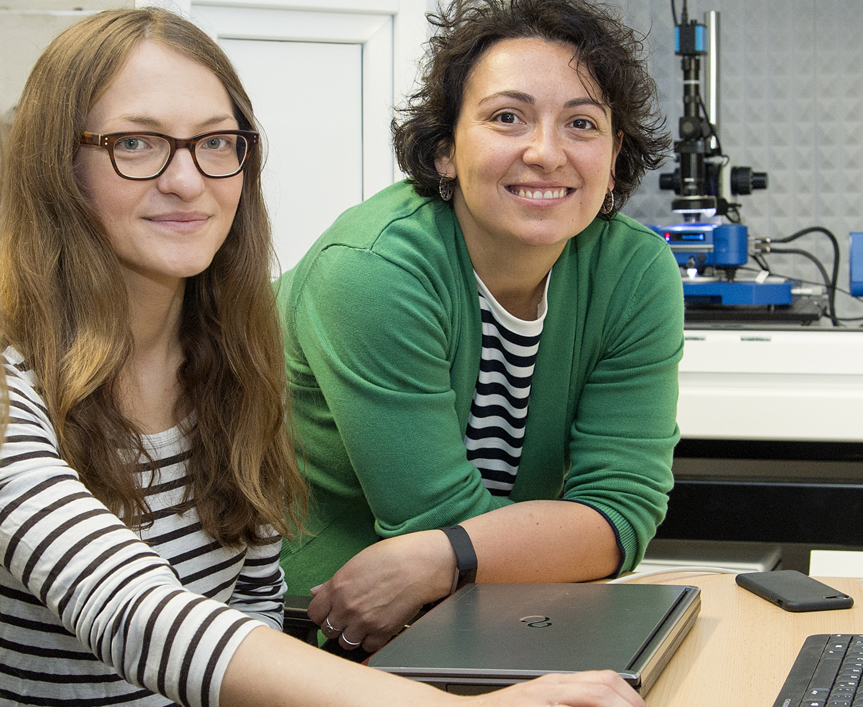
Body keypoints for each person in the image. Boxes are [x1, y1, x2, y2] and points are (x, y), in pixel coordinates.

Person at [0, 8, 645, 707]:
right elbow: (133, 613)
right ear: (55, 166)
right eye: (135, 143)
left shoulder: (237, 359)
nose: (187, 179)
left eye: (216, 143)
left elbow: (254, 610)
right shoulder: (10, 380)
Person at [278, 0, 684, 653]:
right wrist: (542, 545)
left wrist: (447, 555)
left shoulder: (635, 270)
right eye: (507, 117)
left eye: (582, 123)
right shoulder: (372, 270)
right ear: (444, 151)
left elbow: (621, 514)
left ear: (615, 155)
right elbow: (431, 520)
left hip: (491, 610)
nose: (546, 152)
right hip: (313, 625)